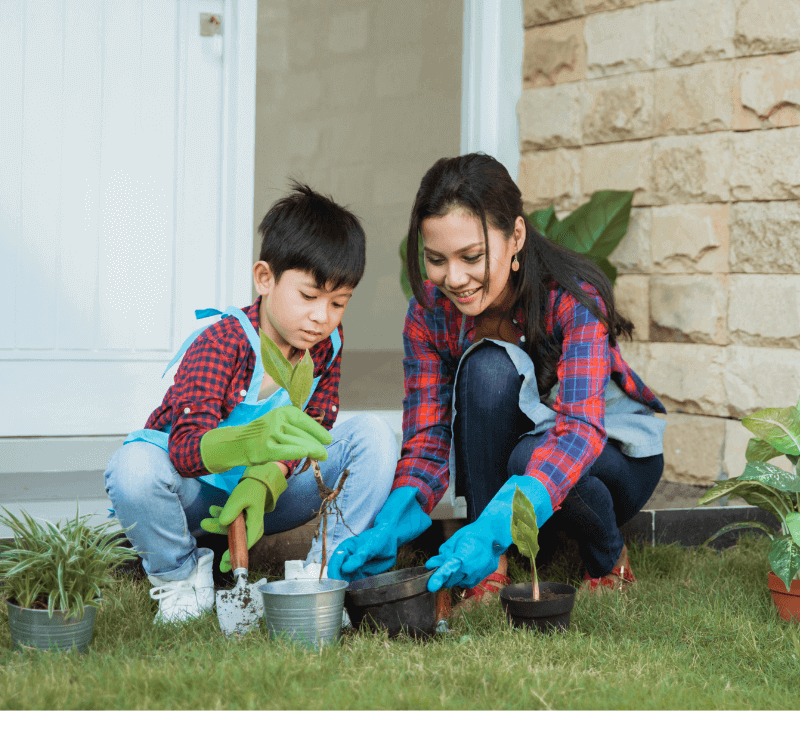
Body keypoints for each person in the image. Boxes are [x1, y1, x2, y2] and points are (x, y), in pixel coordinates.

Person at [328, 153, 665, 608]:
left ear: (516, 237)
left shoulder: (571, 302)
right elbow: (428, 439)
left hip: (613, 461)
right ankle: (494, 569)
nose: (455, 278)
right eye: (436, 259)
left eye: (471, 256)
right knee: (486, 369)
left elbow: (580, 432)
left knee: (533, 451)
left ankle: (607, 557)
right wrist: (392, 522)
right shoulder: (430, 314)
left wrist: (487, 529)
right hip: (523, 482)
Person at [105, 183, 397, 623]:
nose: (322, 316)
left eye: (339, 302)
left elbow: (316, 425)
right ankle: (181, 576)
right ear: (265, 278)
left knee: (373, 435)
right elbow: (184, 449)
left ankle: (322, 573)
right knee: (133, 469)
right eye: (309, 296)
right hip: (196, 499)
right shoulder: (223, 344)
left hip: (268, 501)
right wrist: (250, 443)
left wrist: (264, 479)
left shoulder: (325, 344)